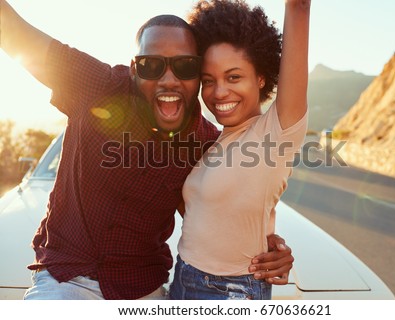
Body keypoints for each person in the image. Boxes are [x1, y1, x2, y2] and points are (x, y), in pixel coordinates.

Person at [0, 1, 293, 300]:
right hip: (67, 281)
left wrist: (271, 247)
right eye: (151, 66)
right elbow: (11, 29)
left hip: (144, 288)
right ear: (134, 69)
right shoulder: (96, 86)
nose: (168, 80)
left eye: (185, 66)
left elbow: (216, 213)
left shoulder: (206, 144)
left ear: (198, 74)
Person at [169, 0, 310, 300]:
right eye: (209, 81)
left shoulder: (276, 132)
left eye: (234, 77)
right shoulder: (215, 141)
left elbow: (299, 9)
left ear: (261, 77)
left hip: (229, 292)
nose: (219, 92)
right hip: (182, 279)